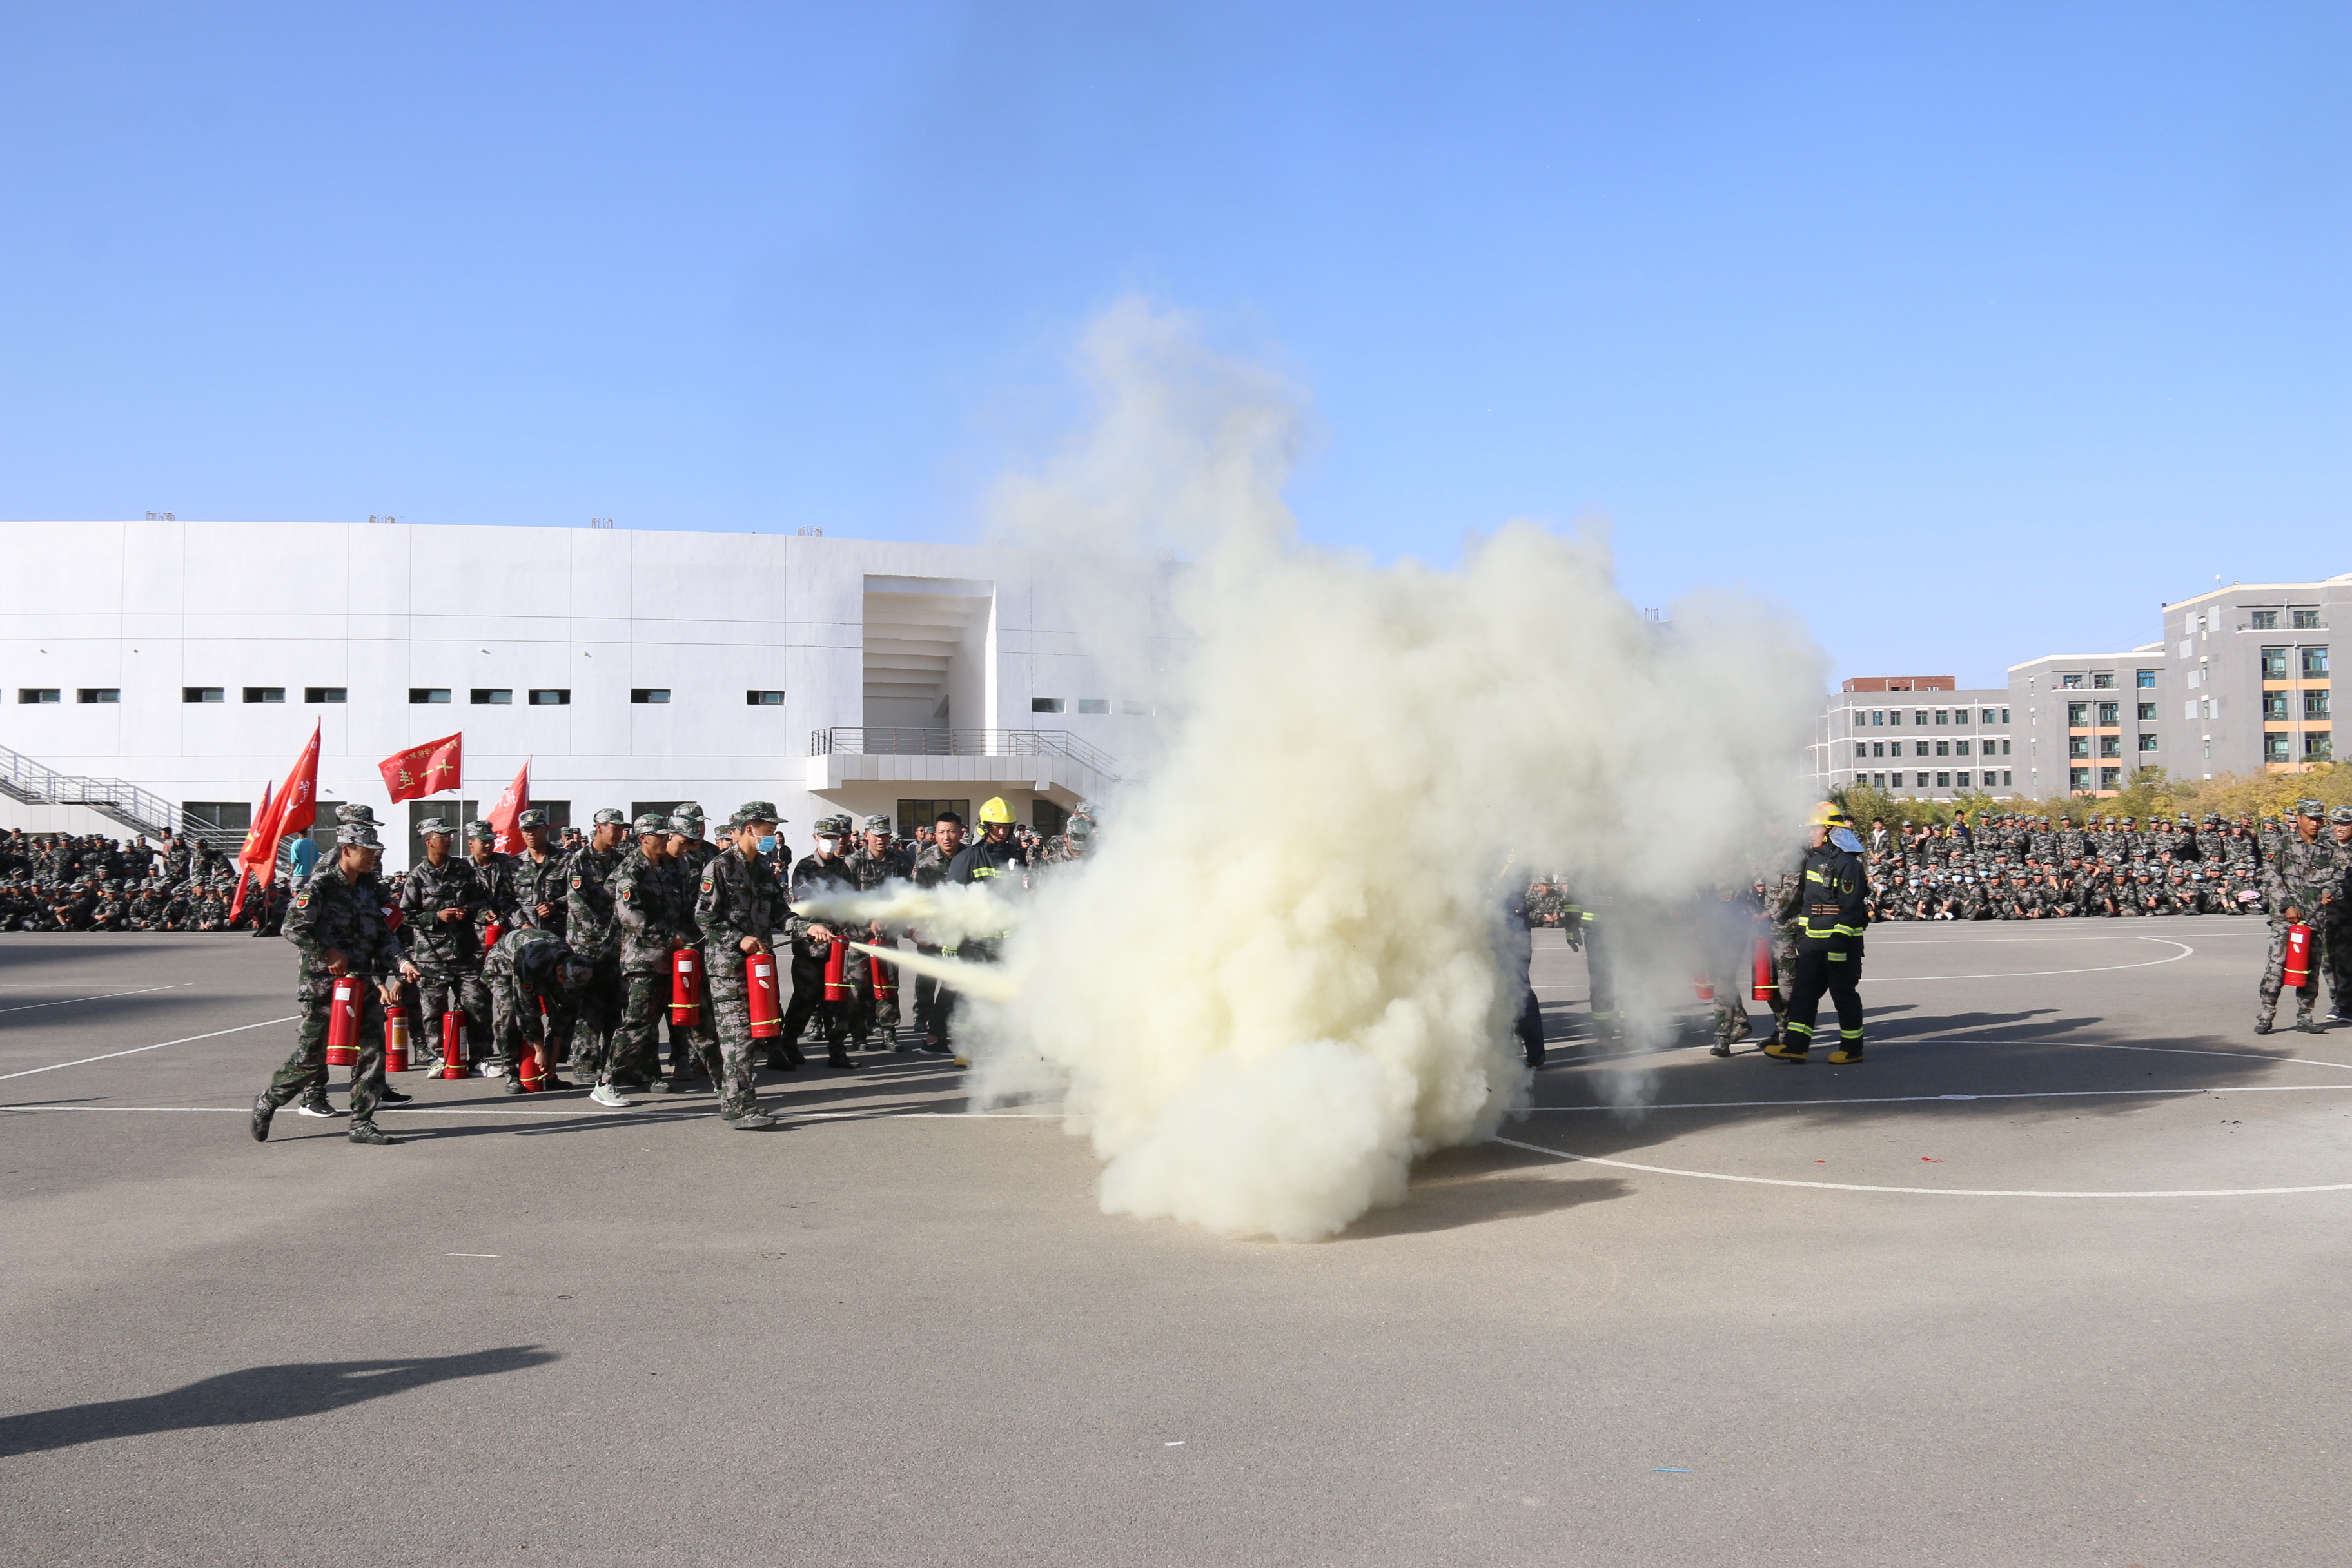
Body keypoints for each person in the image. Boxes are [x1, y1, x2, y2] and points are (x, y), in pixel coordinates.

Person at [250, 823, 423, 1146]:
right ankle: (270, 1099)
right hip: (323, 987)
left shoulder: (369, 888)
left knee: (372, 1053)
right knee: (312, 1057)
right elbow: (292, 927)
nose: (374, 858)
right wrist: (327, 951)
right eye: (368, 852)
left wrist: (402, 963)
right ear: (347, 850)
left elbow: (383, 935)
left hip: (362, 984)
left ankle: (362, 1122)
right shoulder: (321, 886)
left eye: (376, 853)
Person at [591, 814, 698, 1107]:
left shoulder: (670, 868)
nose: (665, 840)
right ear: (643, 839)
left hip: (673, 958)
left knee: (689, 1018)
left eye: (667, 835)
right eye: (659, 836)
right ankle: (606, 1083)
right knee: (638, 1024)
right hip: (644, 961)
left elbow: (685, 909)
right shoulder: (632, 870)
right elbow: (631, 916)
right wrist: (669, 937)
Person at [694, 801, 787, 1128]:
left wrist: (808, 927)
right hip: (728, 969)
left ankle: (734, 1098)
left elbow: (781, 913)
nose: (772, 836)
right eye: (768, 830)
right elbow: (704, 916)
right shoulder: (719, 867)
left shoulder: (762, 868)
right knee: (739, 1039)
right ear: (750, 829)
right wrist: (739, 939)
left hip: (759, 969)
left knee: (753, 1037)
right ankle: (740, 1109)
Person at [1765, 803, 1870, 1064]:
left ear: (1831, 831)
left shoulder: (1848, 864)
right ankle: (1795, 1046)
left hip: (1840, 944)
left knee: (1843, 996)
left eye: (1815, 828)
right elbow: (1809, 904)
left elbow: (1850, 908)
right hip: (1813, 943)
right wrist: (1803, 937)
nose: (1810, 833)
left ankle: (1852, 1049)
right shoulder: (1813, 861)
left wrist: (1839, 941)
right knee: (1803, 994)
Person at [398, 817, 497, 1083]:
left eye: (449, 835)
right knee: (433, 1010)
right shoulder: (417, 876)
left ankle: (478, 1058)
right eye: (442, 836)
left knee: (477, 1005)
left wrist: (472, 912)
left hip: (465, 950)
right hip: (432, 955)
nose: (448, 839)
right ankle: (440, 1057)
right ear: (429, 841)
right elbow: (406, 914)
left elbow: (480, 899)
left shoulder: (463, 868)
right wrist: (436, 916)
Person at [783, 814, 859, 1070]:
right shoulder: (805, 867)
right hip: (811, 946)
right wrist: (823, 923)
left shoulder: (843, 868)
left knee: (838, 999)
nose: (831, 841)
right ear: (816, 838)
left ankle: (838, 1052)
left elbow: (850, 899)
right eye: (826, 837)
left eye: (835, 837)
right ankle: (788, 1044)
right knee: (805, 999)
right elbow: (807, 903)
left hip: (836, 948)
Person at [2258, 799, 2339, 1035]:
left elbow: (2334, 876)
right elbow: (2272, 877)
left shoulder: (2328, 847)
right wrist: (2287, 906)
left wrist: (2328, 891)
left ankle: (2305, 1015)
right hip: (2286, 919)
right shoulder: (2281, 844)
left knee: (2310, 969)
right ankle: (2266, 1014)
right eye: (2311, 819)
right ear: (2299, 818)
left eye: (2319, 819)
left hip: (2315, 917)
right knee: (2276, 967)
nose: (2316, 824)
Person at [566, 808, 630, 1083]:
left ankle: (611, 1062)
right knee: (590, 1006)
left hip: (615, 945)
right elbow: (578, 904)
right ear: (599, 827)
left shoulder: (621, 860)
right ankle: (585, 1063)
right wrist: (602, 935)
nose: (619, 833)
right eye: (614, 827)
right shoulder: (580, 861)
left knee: (615, 1004)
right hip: (587, 945)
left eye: (621, 828)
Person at [844, 813, 912, 1048]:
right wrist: (869, 919)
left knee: (887, 983)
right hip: (858, 936)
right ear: (866, 836)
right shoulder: (853, 862)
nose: (881, 839)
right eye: (876, 835)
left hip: (887, 935)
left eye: (885, 835)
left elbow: (906, 897)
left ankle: (889, 1032)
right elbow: (845, 900)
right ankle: (859, 1035)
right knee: (858, 987)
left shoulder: (900, 862)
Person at [910, 810, 965, 1055]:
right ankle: (923, 1019)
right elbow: (916, 897)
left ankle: (940, 1031)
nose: (947, 837)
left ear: (961, 833)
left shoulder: (968, 857)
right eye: (941, 832)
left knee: (953, 984)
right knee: (927, 979)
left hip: (960, 932)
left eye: (952, 832)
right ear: (935, 834)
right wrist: (914, 928)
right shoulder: (925, 859)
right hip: (931, 932)